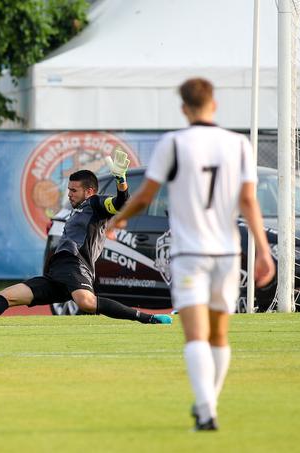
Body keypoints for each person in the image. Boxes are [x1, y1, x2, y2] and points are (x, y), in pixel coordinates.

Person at [106, 78, 275, 431]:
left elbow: (145, 194)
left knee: (195, 336)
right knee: (219, 335)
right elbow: (248, 201)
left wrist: (117, 220)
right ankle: (207, 407)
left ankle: (206, 408)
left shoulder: (174, 143)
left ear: (184, 108)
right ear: (215, 104)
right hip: (228, 253)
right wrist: (262, 250)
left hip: (188, 253)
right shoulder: (237, 144)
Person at [0, 152, 173, 328]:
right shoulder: (76, 209)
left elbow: (120, 203)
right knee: (8, 295)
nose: (69, 194)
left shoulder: (96, 203)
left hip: (76, 267)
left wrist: (121, 181)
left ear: (89, 191)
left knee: (87, 303)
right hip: (57, 274)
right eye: (68, 190)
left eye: (74, 190)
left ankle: (148, 318)